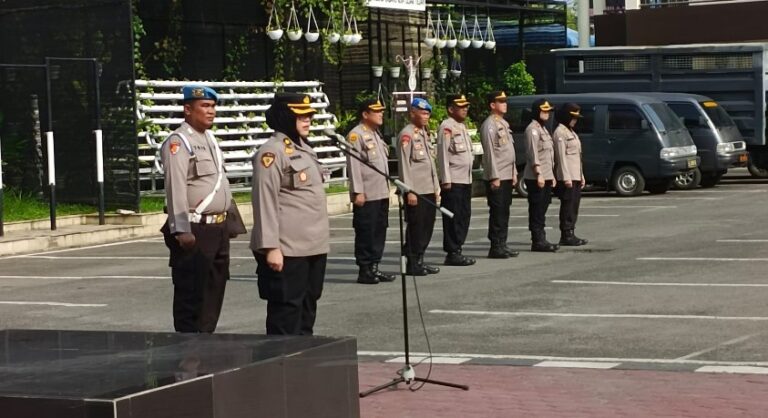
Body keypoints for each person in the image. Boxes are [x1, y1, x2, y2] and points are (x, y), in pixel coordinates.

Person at [250, 92, 330, 335]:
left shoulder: (304, 148)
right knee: (286, 314)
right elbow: (264, 201)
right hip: (287, 248)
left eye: (309, 116)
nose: (308, 120)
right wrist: (270, 247)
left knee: (308, 308)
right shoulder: (271, 152)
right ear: (285, 116)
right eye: (301, 116)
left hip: (313, 246)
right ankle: (281, 367)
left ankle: (302, 366)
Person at [160, 85, 233, 333]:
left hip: (218, 229)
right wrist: (181, 229)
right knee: (192, 299)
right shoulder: (179, 142)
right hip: (195, 229)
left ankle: (205, 351)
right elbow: (175, 187)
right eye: (205, 106)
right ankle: (187, 360)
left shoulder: (209, 139)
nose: (211, 112)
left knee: (213, 297)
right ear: (188, 109)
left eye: (213, 107)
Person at [347, 98, 396, 284]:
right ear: (365, 114)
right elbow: (354, 165)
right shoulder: (356, 135)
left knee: (379, 230)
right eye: (376, 111)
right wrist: (357, 191)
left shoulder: (376, 134)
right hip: (367, 194)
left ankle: (375, 266)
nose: (381, 114)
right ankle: (365, 269)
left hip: (380, 192)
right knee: (366, 231)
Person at [397, 97, 440, 276]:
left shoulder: (424, 133)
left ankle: (420, 259)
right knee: (416, 227)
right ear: (412, 113)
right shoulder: (407, 135)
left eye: (427, 113)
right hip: (416, 191)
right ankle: (412, 262)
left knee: (427, 227)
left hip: (428, 189)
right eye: (422, 113)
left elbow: (430, 163)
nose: (426, 116)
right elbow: (404, 165)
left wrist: (436, 188)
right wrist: (409, 190)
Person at [436, 94, 476, 266]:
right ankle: (452, 251)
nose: (465, 108)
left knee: (463, 215)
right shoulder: (447, 127)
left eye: (466, 106)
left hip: (465, 179)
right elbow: (443, 155)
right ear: (451, 109)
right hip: (453, 181)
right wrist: (445, 179)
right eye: (461, 106)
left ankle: (458, 248)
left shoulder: (462, 126)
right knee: (453, 217)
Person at [480, 91, 520, 259]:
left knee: (504, 211)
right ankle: (496, 246)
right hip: (497, 176)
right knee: (497, 212)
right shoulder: (489, 125)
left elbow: (508, 152)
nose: (505, 103)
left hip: (506, 175)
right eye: (500, 101)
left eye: (505, 101)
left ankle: (502, 243)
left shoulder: (503, 123)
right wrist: (494, 176)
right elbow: (489, 153)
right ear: (492, 105)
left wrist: (514, 172)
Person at [523, 98, 559, 253]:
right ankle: (537, 240)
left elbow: (549, 156)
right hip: (536, 177)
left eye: (548, 111)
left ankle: (541, 238)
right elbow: (533, 154)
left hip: (546, 175)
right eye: (544, 111)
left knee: (542, 208)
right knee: (537, 209)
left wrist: (551, 175)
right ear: (537, 111)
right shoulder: (533, 129)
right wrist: (539, 173)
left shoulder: (543, 129)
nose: (547, 114)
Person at [553, 103, 589, 246]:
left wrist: (581, 175)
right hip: (567, 176)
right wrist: (565, 177)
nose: (575, 120)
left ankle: (571, 231)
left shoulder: (571, 132)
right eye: (572, 117)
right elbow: (561, 158)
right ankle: (566, 234)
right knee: (568, 206)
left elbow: (577, 157)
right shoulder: (560, 132)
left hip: (575, 175)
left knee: (574, 205)